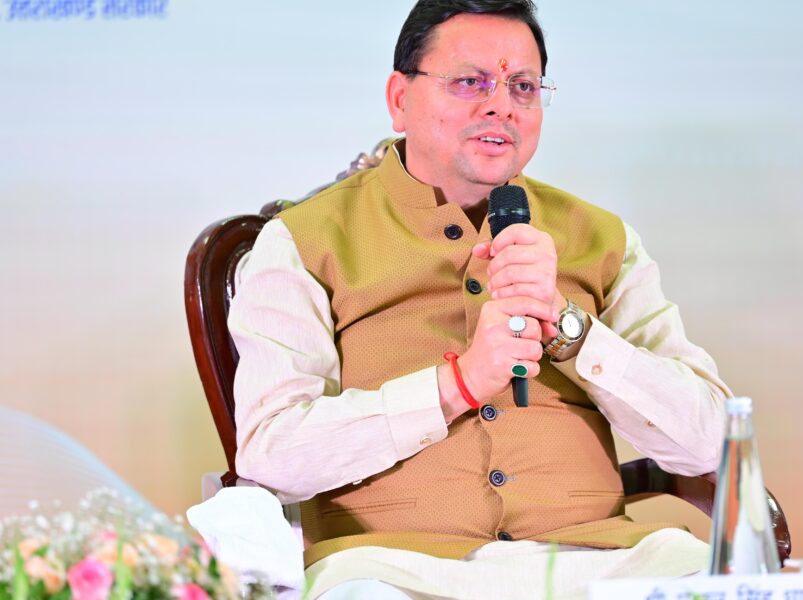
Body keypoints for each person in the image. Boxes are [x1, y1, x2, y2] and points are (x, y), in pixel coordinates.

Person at [228, 1, 732, 598]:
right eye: (470, 82)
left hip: (604, 564)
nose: (501, 106)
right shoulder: (304, 242)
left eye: (523, 87)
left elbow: (712, 441)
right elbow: (271, 453)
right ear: (400, 98)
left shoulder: (603, 239)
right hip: (396, 572)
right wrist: (456, 386)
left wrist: (570, 328)